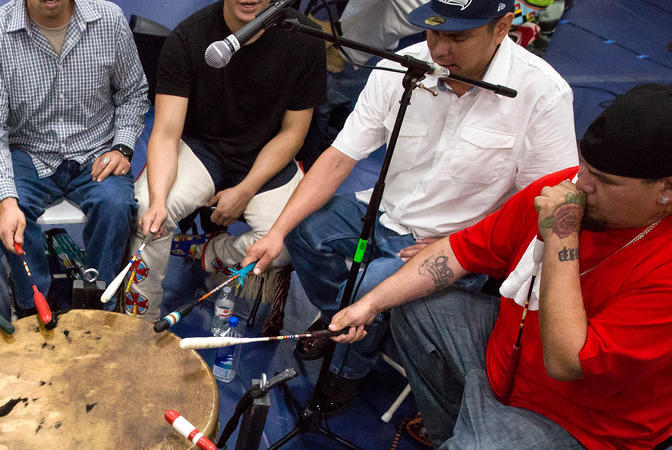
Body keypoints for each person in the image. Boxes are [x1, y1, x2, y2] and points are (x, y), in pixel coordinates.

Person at [242, 0, 577, 410]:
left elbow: (546, 208)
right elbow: (339, 157)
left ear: (502, 26)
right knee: (303, 234)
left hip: (459, 244)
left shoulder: (542, 93)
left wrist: (460, 246)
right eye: (434, 32)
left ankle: (348, 368)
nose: (439, 50)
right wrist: (276, 232)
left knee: (368, 288)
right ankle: (345, 318)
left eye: (458, 37)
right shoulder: (405, 65)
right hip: (385, 212)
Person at [327, 83, 672, 448]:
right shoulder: (564, 185)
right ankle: (453, 432)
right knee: (413, 304)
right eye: (584, 168)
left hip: (581, 421)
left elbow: (568, 362)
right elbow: (458, 252)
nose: (580, 185)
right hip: (509, 355)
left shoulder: (656, 263)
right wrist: (368, 305)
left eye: (603, 181)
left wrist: (561, 236)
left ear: (665, 190)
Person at [125, 0, 325, 319]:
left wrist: (245, 190)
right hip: (202, 149)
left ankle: (206, 252)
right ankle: (139, 326)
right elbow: (165, 132)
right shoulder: (187, 37)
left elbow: (293, 133)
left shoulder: (305, 38)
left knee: (289, 242)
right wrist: (160, 201)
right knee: (149, 215)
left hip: (267, 154)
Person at [0, 0, 149, 313]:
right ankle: (33, 306)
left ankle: (98, 304)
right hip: (29, 151)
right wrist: (6, 201)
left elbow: (133, 93)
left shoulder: (108, 20)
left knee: (115, 206)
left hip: (97, 148)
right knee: (8, 213)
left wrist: (122, 147)